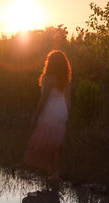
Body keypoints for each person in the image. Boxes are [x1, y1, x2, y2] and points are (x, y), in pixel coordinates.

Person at [23, 50, 72, 180]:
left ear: (50, 63)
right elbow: (68, 100)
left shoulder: (49, 78)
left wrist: (35, 116)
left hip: (50, 113)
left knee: (46, 144)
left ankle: (54, 173)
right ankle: (53, 173)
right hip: (61, 114)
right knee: (54, 146)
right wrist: (67, 116)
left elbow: (43, 99)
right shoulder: (65, 80)